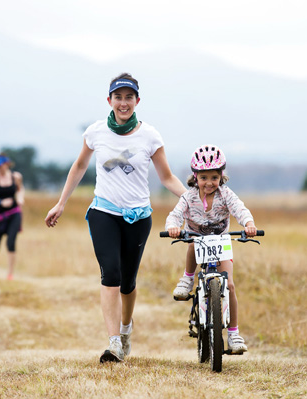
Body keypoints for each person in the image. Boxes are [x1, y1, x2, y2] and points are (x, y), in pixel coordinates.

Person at [45, 73, 187, 363]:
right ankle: (113, 344)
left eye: (129, 97)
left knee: (128, 282)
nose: (123, 103)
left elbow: (167, 177)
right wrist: (61, 203)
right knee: (110, 273)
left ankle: (125, 329)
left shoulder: (150, 136)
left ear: (137, 101)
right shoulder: (96, 132)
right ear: (109, 100)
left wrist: (191, 202)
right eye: (118, 97)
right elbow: (80, 165)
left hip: (138, 216)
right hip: (103, 212)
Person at [165, 144, 258, 353]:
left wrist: (248, 224)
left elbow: (239, 208)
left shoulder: (226, 194)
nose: (209, 183)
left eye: (214, 177)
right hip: (197, 240)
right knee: (191, 243)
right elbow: (176, 214)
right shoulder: (188, 197)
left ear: (221, 176)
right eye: (204, 177)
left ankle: (233, 334)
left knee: (230, 286)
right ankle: (188, 278)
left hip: (222, 242)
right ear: (195, 176)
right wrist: (173, 227)